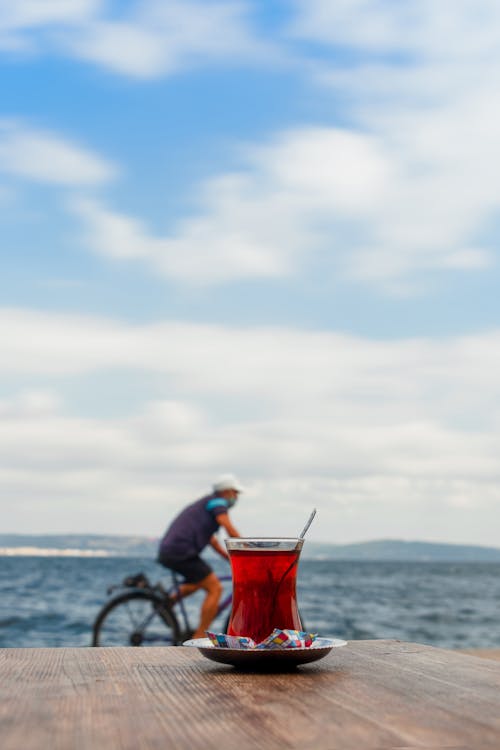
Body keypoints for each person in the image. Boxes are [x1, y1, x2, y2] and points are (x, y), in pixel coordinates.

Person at [158, 474, 243, 639]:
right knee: (215, 587)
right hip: (181, 551)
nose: (236, 497)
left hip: (172, 551)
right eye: (235, 492)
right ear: (225, 492)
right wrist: (247, 553)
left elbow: (213, 542)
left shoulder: (206, 505)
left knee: (200, 582)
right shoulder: (218, 502)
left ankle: (168, 603)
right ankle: (197, 638)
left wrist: (232, 559)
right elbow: (228, 527)